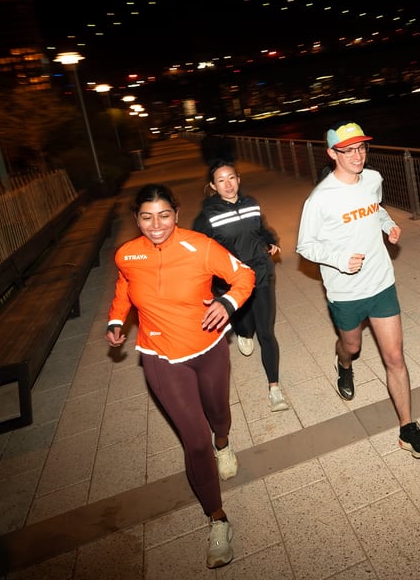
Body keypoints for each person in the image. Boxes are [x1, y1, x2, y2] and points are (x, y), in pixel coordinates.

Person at [105, 183, 256, 569]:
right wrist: (116, 319)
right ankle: (217, 518)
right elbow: (124, 287)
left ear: (176, 213)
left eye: (164, 215)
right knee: (195, 442)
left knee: (218, 414)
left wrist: (227, 302)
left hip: (209, 347)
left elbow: (244, 275)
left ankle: (224, 441)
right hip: (161, 356)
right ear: (136, 218)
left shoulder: (200, 246)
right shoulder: (127, 254)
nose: (156, 225)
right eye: (146, 217)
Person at [296, 121, 420, 459]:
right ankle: (343, 363)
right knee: (352, 346)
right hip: (345, 292)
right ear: (332, 154)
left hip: (380, 282)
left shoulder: (373, 179)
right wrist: (340, 260)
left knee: (395, 357)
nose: (358, 156)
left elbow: (377, 208)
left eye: (361, 148)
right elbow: (304, 246)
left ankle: (407, 428)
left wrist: (388, 225)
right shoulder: (320, 199)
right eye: (348, 151)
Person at [193, 159, 290, 412]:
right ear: (213, 186)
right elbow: (201, 252)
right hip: (232, 282)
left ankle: (275, 389)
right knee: (245, 324)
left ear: (238, 179)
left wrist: (271, 241)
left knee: (266, 332)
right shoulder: (207, 217)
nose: (228, 185)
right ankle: (243, 332)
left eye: (231, 178)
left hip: (261, 274)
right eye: (221, 180)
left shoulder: (250, 203)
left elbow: (262, 229)